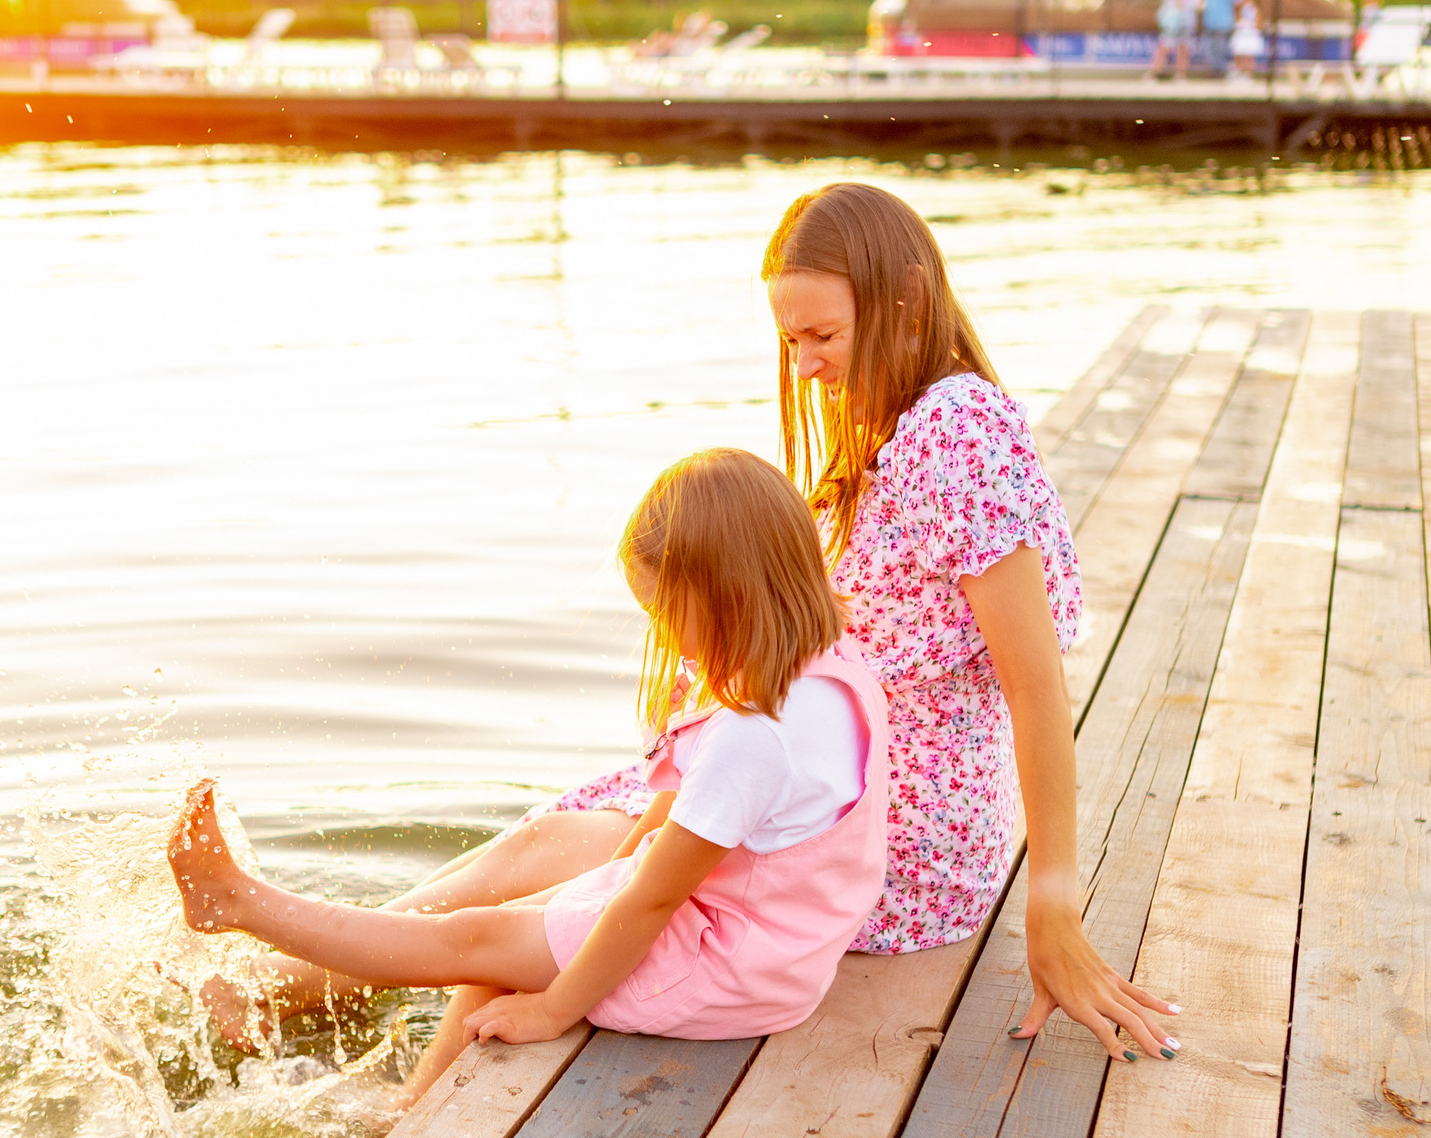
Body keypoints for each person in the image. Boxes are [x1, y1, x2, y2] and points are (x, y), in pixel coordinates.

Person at [197, 182, 1179, 1090]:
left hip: (891, 837)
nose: (805, 366)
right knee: (554, 839)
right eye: (790, 342)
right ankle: (306, 982)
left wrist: (1050, 905)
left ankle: (297, 983)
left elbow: (1033, 685)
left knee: (561, 877)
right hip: (839, 777)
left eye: (820, 334)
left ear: (904, 297)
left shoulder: (954, 430)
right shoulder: (896, 420)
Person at [171, 447, 896, 1086]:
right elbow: (668, 824)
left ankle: (238, 904)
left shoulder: (754, 732)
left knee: (470, 941)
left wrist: (555, 1007)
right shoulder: (830, 670)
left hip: (725, 972)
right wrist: (588, 891)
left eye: (662, 611)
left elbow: (652, 901)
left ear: (723, 592)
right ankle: (410, 1101)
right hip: (775, 952)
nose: (663, 635)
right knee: (508, 927)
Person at [1151, 0, 1199, 77]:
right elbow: (1168, 1)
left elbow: (1196, 3)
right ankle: (1155, 72)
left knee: (1184, 48)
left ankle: (1180, 74)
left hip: (1188, 21)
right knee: (1164, 46)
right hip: (1172, 22)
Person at [1198, 0, 1241, 74]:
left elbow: (1237, 2)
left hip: (1224, 22)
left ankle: (1219, 70)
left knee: (1220, 47)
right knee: (1210, 48)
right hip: (1209, 22)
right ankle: (1214, 69)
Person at [1228, 0, 1266, 79]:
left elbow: (1259, 24)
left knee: (1249, 56)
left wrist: (1248, 25)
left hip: (1250, 35)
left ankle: (1248, 75)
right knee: (1239, 54)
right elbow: (1236, 19)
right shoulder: (1239, 9)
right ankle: (1239, 73)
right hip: (1240, 34)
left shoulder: (1256, 11)